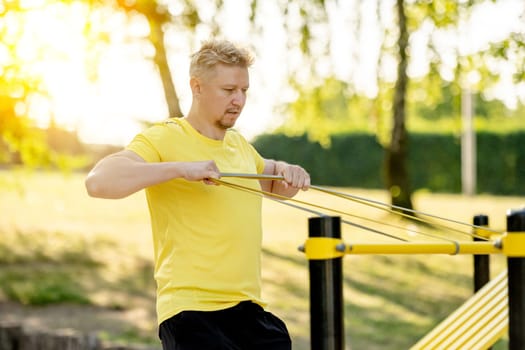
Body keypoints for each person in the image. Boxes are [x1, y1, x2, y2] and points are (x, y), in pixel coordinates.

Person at [85, 39, 310, 350]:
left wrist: (288, 171)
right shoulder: (165, 137)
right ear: (197, 87)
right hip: (192, 313)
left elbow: (274, 182)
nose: (239, 100)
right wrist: (180, 169)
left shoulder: (240, 146)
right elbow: (98, 182)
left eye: (244, 90)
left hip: (249, 313)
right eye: (229, 90)